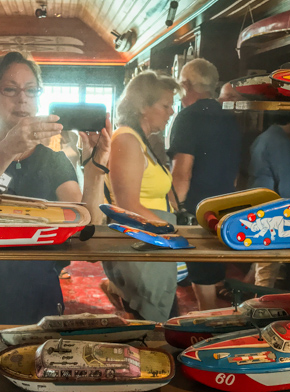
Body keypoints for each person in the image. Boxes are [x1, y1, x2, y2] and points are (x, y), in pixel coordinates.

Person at [0, 51, 112, 324]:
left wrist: (95, 169)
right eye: (10, 89)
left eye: (31, 90)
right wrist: (7, 149)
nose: (22, 98)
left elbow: (88, 229)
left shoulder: (53, 160)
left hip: (37, 290)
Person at [102, 70, 181, 322]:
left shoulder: (139, 140)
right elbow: (128, 206)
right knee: (152, 323)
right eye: (165, 105)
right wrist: (174, 232)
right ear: (142, 107)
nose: (171, 112)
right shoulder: (127, 139)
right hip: (141, 243)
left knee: (160, 317)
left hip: (152, 240)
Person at [168, 58, 242, 310]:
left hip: (196, 206)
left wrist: (173, 208)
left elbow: (182, 172)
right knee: (213, 268)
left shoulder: (187, 117)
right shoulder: (230, 118)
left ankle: (208, 328)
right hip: (226, 202)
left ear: (186, 85)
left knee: (201, 273)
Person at [248, 111, 290, 287]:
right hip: (273, 205)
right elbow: (286, 183)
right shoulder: (281, 143)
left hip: (256, 198)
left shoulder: (263, 138)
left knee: (260, 253)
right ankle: (259, 304)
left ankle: (249, 289)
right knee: (268, 262)